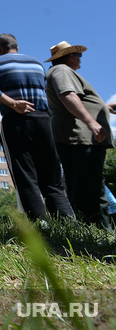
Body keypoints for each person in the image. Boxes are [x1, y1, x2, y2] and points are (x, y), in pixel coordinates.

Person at [0, 34, 74, 222]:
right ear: (16, 46)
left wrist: (13, 103)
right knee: (52, 178)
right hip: (44, 120)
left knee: (25, 176)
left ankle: (41, 226)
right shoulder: (37, 63)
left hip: (17, 121)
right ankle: (68, 223)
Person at [45, 41, 115, 230]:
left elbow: (78, 101)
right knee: (88, 189)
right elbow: (67, 96)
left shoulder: (63, 72)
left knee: (90, 185)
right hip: (80, 138)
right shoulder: (62, 71)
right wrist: (92, 122)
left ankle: (96, 231)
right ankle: (96, 234)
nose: (80, 59)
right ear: (70, 56)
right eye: (78, 55)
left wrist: (105, 108)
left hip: (82, 138)